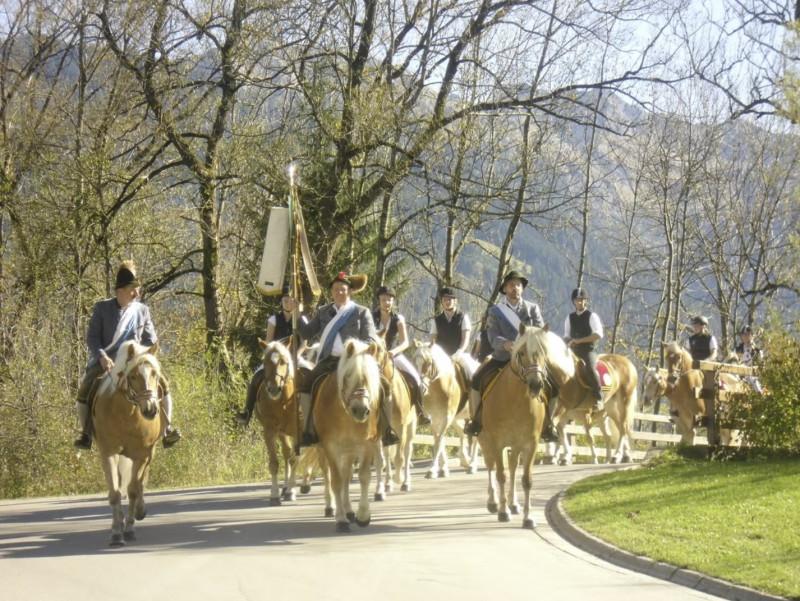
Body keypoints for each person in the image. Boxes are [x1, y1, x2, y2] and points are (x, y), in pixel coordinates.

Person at [73, 261, 181, 450]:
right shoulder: (102, 309)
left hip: (136, 361)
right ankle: (86, 433)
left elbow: (150, 339)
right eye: (133, 290)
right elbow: (92, 339)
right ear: (120, 291)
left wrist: (142, 354)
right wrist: (102, 357)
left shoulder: (142, 311)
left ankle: (167, 429)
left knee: (163, 385)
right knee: (85, 389)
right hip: (108, 360)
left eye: (137, 289)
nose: (137, 294)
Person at [293, 271, 399, 447]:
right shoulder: (323, 312)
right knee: (306, 386)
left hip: (354, 361)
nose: (339, 292)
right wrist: (297, 314)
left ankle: (387, 429)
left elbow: (371, 338)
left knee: (385, 385)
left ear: (349, 292)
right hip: (330, 360)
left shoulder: (361, 312)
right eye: (336, 289)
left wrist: (358, 351)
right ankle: (309, 431)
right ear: (332, 292)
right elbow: (306, 333)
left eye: (343, 289)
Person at [464, 270, 552, 439]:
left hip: (529, 360)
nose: (515, 288)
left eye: (518, 285)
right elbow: (492, 335)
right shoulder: (495, 311)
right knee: (476, 380)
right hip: (503, 357)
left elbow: (542, 332)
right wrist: (505, 343)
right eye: (512, 285)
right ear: (505, 288)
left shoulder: (532, 309)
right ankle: (475, 420)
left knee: (553, 383)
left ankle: (548, 424)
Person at [234, 285, 310, 427]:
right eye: (285, 300)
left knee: (311, 374)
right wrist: (274, 354)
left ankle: (313, 416)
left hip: (295, 358)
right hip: (275, 358)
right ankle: (247, 413)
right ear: (281, 302)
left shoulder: (301, 320)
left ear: (295, 302)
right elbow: (268, 341)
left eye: (290, 300)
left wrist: (296, 357)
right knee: (255, 378)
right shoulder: (273, 320)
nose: (287, 303)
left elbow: (303, 344)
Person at [372, 285, 431, 425]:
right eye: (384, 299)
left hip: (394, 355)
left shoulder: (398, 318)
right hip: (374, 357)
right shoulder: (371, 317)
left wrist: (393, 351)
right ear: (379, 301)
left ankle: (420, 412)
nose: (386, 302)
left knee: (416, 379)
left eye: (389, 300)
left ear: (393, 302)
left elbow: (405, 342)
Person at [564, 288, 605, 414]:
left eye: (582, 300)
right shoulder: (569, 317)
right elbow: (566, 335)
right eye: (577, 300)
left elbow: (598, 334)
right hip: (573, 350)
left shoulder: (592, 316)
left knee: (591, 369)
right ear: (573, 301)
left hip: (588, 351)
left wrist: (581, 341)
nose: (580, 302)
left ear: (585, 301)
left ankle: (599, 397)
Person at [735, 325, 763, 393]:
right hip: (738, 374)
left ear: (752, 336)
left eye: (748, 335)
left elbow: (761, 366)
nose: (746, 338)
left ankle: (760, 395)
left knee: (753, 380)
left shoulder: (758, 351)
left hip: (752, 375)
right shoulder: (737, 350)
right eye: (744, 336)